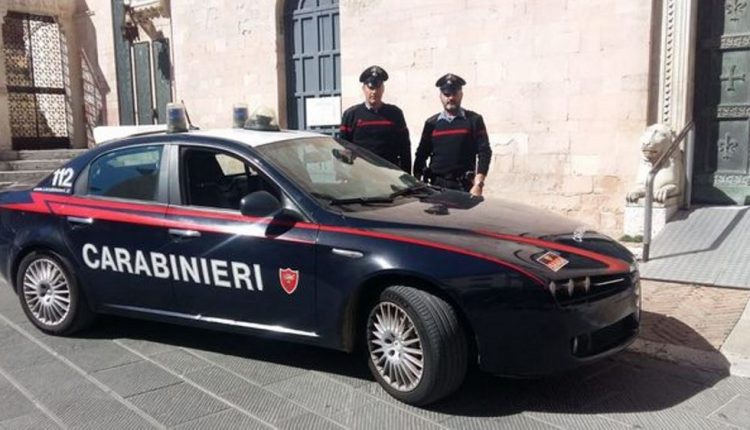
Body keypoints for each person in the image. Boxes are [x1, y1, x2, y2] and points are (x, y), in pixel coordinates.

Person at [413, 73, 492, 196]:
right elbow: (421, 154)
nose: (450, 98)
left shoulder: (474, 120)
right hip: (436, 186)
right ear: (440, 96)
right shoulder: (431, 123)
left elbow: (484, 152)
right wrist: (417, 182)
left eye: (454, 94)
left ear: (461, 94)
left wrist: (478, 184)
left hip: (463, 186)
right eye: (446, 94)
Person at [339, 66, 411, 172]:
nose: (374, 92)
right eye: (371, 88)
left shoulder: (395, 114)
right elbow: (343, 148)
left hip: (389, 174)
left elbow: (405, 148)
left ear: (383, 89)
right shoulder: (351, 115)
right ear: (364, 89)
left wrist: (407, 174)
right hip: (361, 174)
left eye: (378, 88)